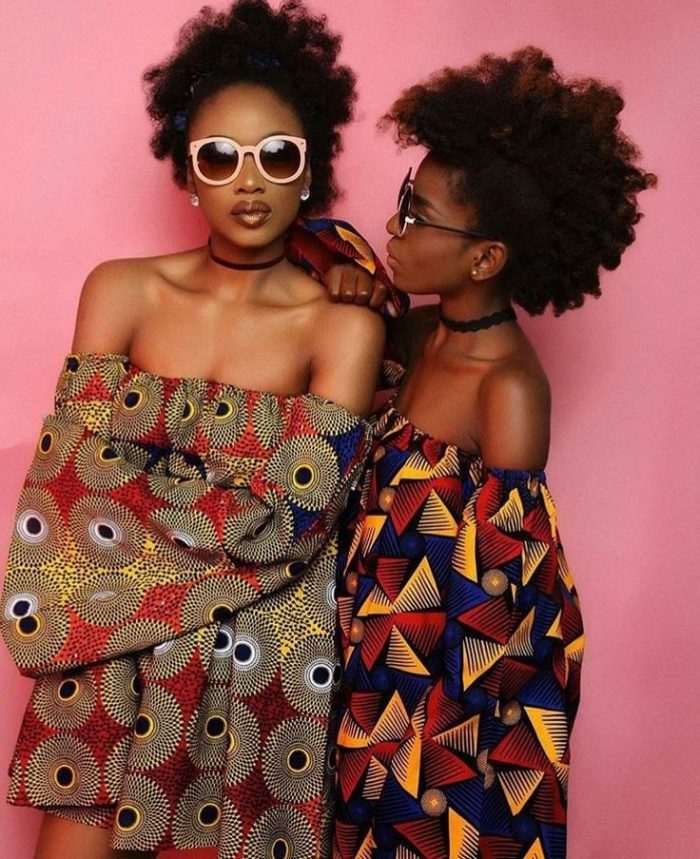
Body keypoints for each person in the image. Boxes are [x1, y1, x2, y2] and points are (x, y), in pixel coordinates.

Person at [0, 2, 396, 857]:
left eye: (276, 156)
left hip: (260, 643)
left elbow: (297, 519)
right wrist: (215, 504)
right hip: (104, 630)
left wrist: (138, 503)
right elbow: (68, 489)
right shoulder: (120, 290)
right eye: (220, 156)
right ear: (188, 173)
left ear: (310, 171)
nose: (249, 181)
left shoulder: (344, 327)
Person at [331, 48, 656, 858]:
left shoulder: (506, 388)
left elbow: (512, 603)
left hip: (445, 711)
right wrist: (356, 298)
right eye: (403, 201)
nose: (395, 228)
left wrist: (425, 754)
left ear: (485, 258)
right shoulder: (416, 333)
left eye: (418, 215)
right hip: (369, 670)